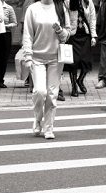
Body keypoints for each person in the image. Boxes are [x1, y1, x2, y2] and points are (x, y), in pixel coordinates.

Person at [23, 0, 70, 139]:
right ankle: (38, 119)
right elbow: (27, 35)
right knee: (39, 91)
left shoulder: (61, 8)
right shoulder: (32, 9)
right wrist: (28, 56)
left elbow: (67, 35)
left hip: (56, 58)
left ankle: (48, 127)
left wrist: (60, 30)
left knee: (52, 94)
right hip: (37, 58)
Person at [65, 0, 97, 97]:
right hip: (73, 36)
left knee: (86, 61)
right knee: (73, 62)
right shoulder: (67, 2)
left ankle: (80, 80)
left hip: (85, 36)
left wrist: (93, 36)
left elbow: (92, 19)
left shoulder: (88, 2)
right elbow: (65, 18)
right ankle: (74, 86)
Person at [0, 0, 17, 89]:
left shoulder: (9, 8)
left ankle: (0, 80)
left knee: (4, 58)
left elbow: (14, 23)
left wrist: (5, 26)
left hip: (6, 34)